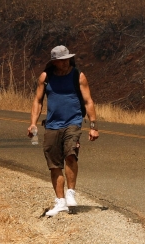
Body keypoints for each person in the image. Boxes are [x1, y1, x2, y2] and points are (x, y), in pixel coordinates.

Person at [29, 45, 99, 216]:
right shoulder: (46, 77)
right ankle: (60, 202)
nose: (66, 62)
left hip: (73, 123)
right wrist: (33, 123)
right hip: (52, 125)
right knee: (54, 165)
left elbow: (88, 101)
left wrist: (93, 126)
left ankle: (71, 193)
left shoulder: (78, 76)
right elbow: (38, 101)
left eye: (67, 58)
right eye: (62, 60)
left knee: (70, 154)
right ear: (54, 62)